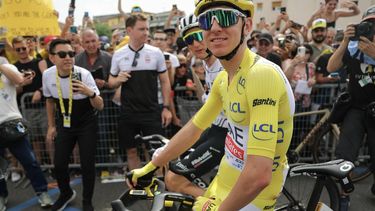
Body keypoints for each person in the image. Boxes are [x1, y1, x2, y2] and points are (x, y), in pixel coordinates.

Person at [128, 0, 295, 210]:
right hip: (221, 184)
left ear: (248, 26)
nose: (215, 28)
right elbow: (194, 129)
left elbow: (258, 176)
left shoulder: (261, 75)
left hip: (250, 198)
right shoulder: (223, 79)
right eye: (206, 21)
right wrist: (151, 166)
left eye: (226, 17)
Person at [161, 14, 228, 197]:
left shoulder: (223, 66)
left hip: (227, 134)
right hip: (215, 128)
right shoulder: (208, 64)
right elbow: (205, 98)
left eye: (198, 36)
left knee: (174, 180)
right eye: (189, 40)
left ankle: (221, 206)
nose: (196, 44)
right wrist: (192, 69)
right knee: (175, 160)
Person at [43, 39, 104, 211]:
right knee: (59, 163)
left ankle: (87, 201)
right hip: (65, 121)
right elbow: (49, 101)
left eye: (71, 54)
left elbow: (100, 105)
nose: (68, 58)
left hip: (86, 122)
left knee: (87, 164)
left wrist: (89, 92)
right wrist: (51, 125)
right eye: (62, 54)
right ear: (52, 58)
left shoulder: (83, 74)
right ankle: (65, 194)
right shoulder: (48, 75)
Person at [108, 14, 172, 171]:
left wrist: (166, 107)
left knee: (156, 153)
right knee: (131, 151)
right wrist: (118, 80)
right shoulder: (118, 54)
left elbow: (165, 81)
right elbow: (110, 82)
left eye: (147, 29)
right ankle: (136, 184)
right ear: (129, 30)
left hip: (151, 111)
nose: (146, 33)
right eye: (142, 29)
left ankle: (159, 187)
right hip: (128, 112)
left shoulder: (156, 53)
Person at [327, 5, 375, 211]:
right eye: (368, 24)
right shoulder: (353, 48)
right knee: (344, 157)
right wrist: (346, 41)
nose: (371, 29)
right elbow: (331, 67)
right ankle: (343, 196)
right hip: (356, 108)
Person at [0, 64, 53, 210]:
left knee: (30, 161)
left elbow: (19, 80)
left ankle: (42, 192)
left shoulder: (6, 67)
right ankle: (1, 196)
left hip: (11, 122)